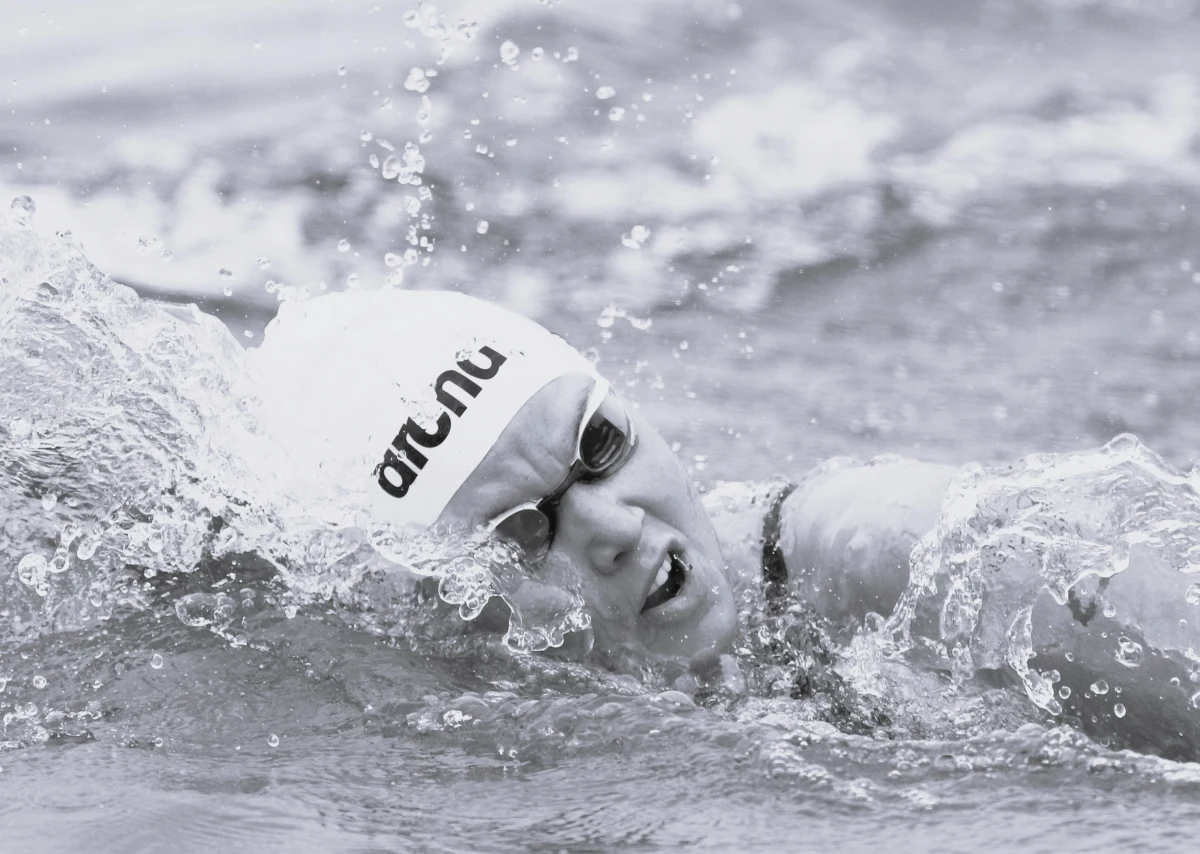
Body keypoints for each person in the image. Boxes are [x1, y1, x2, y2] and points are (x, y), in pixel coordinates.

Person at [252, 288, 1200, 756]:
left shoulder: (896, 559)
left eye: (604, 443)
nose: (612, 527)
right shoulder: (435, 712)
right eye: (522, 534)